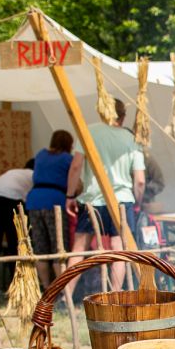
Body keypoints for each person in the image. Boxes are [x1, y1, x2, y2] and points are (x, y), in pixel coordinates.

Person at [66, 99, 144, 297]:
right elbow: (140, 180)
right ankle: (115, 295)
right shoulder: (132, 138)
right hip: (121, 200)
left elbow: (76, 167)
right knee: (119, 248)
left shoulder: (88, 131)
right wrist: (138, 201)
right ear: (123, 116)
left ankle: (66, 295)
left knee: (79, 247)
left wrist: (70, 195)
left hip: (92, 199)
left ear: (101, 112)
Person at [25, 130, 84, 289]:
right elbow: (76, 183)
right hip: (55, 202)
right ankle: (63, 290)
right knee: (59, 246)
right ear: (69, 144)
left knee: (40, 246)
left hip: (34, 200)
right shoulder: (67, 159)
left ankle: (46, 287)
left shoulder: (40, 155)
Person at [0, 158, 35, 290]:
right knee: (15, 244)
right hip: (10, 200)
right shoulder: (34, 175)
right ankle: (15, 285)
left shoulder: (15, 172)